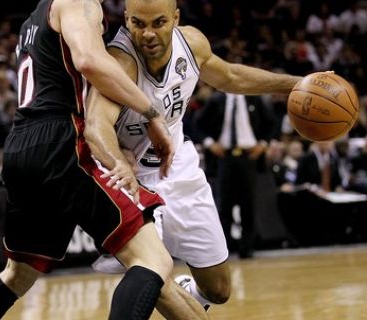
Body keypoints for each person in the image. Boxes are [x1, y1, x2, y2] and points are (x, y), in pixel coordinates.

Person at [0, 0, 198, 319]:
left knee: (18, 275)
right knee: (152, 260)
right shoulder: (78, 1)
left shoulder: (33, 19)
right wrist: (150, 111)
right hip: (62, 140)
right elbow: (88, 60)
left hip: (22, 145)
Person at [87, 0, 302, 312]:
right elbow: (96, 126)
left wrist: (297, 84)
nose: (147, 34)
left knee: (218, 290)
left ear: (175, 18)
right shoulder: (119, 62)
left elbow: (230, 76)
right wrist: (118, 162)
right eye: (138, 24)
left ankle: (187, 289)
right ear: (126, 19)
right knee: (151, 269)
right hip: (132, 180)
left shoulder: (192, 43)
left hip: (179, 168)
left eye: (158, 23)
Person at [195, 91, 275, 259]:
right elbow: (197, 123)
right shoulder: (216, 99)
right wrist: (210, 143)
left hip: (249, 156)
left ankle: (247, 248)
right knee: (224, 205)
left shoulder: (254, 98)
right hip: (224, 157)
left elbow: (272, 123)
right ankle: (225, 248)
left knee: (249, 205)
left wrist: (263, 144)